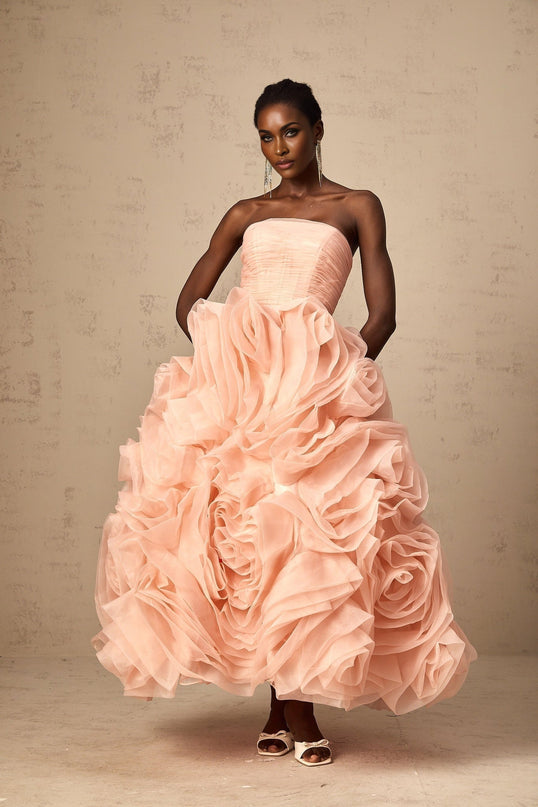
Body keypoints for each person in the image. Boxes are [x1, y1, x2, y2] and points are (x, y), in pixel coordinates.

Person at [92, 79, 477, 767]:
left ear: (318, 128)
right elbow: (192, 301)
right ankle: (293, 709)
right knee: (251, 537)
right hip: (245, 397)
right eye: (267, 136)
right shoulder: (247, 211)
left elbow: (383, 312)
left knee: (304, 534)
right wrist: (235, 358)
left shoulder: (357, 206)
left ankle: (284, 706)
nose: (279, 148)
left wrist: (334, 377)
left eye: (291, 132)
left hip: (316, 397)